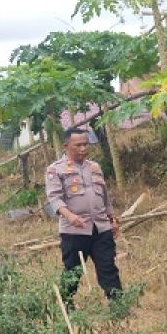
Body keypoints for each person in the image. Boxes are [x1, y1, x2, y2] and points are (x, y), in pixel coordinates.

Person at [45, 128, 122, 304]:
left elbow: (104, 196)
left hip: (100, 228)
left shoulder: (95, 167)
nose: (83, 148)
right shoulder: (55, 170)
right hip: (74, 231)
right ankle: (66, 307)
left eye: (85, 144)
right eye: (78, 145)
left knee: (108, 267)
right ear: (66, 146)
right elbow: (54, 198)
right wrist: (70, 216)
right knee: (73, 271)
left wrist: (112, 219)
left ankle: (119, 306)